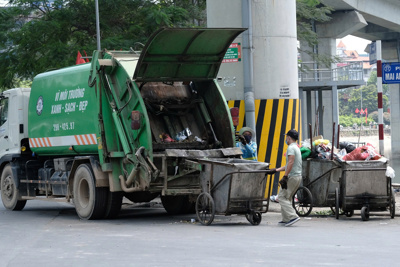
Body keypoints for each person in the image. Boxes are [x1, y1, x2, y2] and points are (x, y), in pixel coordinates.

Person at [269, 129, 302, 227]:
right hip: (297, 176)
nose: (286, 139)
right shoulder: (296, 147)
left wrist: (285, 176)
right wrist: (276, 170)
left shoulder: (291, 148)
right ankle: (286, 219)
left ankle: (292, 216)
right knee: (287, 198)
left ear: (289, 137)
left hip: (292, 176)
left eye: (286, 137)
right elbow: (288, 164)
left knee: (282, 197)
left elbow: (291, 162)